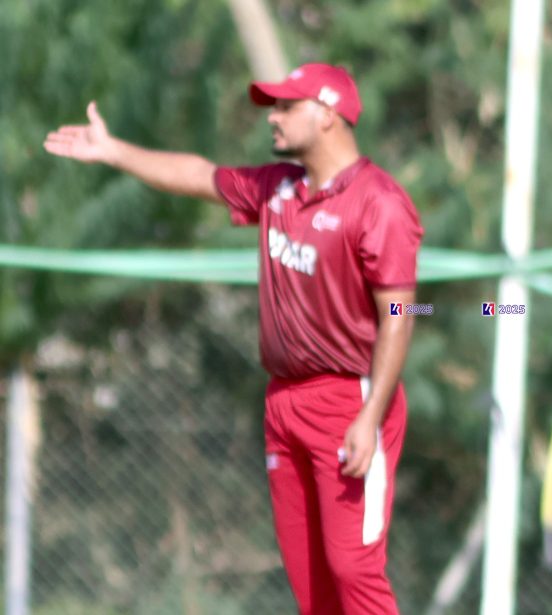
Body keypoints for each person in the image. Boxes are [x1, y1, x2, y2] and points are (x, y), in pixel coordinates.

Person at [45, 63, 423, 615]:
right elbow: (201, 175)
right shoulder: (278, 189)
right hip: (285, 402)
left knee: (352, 570)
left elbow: (401, 316)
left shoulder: (378, 202)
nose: (273, 117)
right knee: (312, 584)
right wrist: (114, 151)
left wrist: (370, 417)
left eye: (286, 106)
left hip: (350, 401)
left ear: (327, 115)